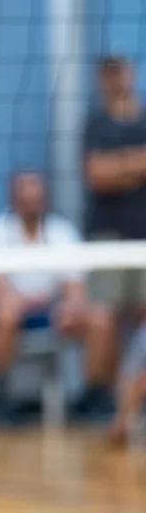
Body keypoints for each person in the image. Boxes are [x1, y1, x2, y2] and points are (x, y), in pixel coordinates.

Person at [0, 171, 116, 421]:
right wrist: (22, 301)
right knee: (7, 312)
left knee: (100, 318)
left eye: (36, 193)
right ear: (13, 198)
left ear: (45, 197)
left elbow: (75, 287)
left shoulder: (62, 231)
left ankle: (93, 396)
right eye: (25, 193)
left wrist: (69, 307)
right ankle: (0, 398)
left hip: (50, 312)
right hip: (7, 310)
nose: (32, 198)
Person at [84, 56, 146, 318]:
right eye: (109, 73)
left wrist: (115, 166)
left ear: (131, 73)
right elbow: (96, 175)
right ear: (101, 80)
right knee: (102, 317)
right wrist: (137, 164)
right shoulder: (96, 124)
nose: (115, 78)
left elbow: (106, 171)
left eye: (119, 71)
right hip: (108, 233)